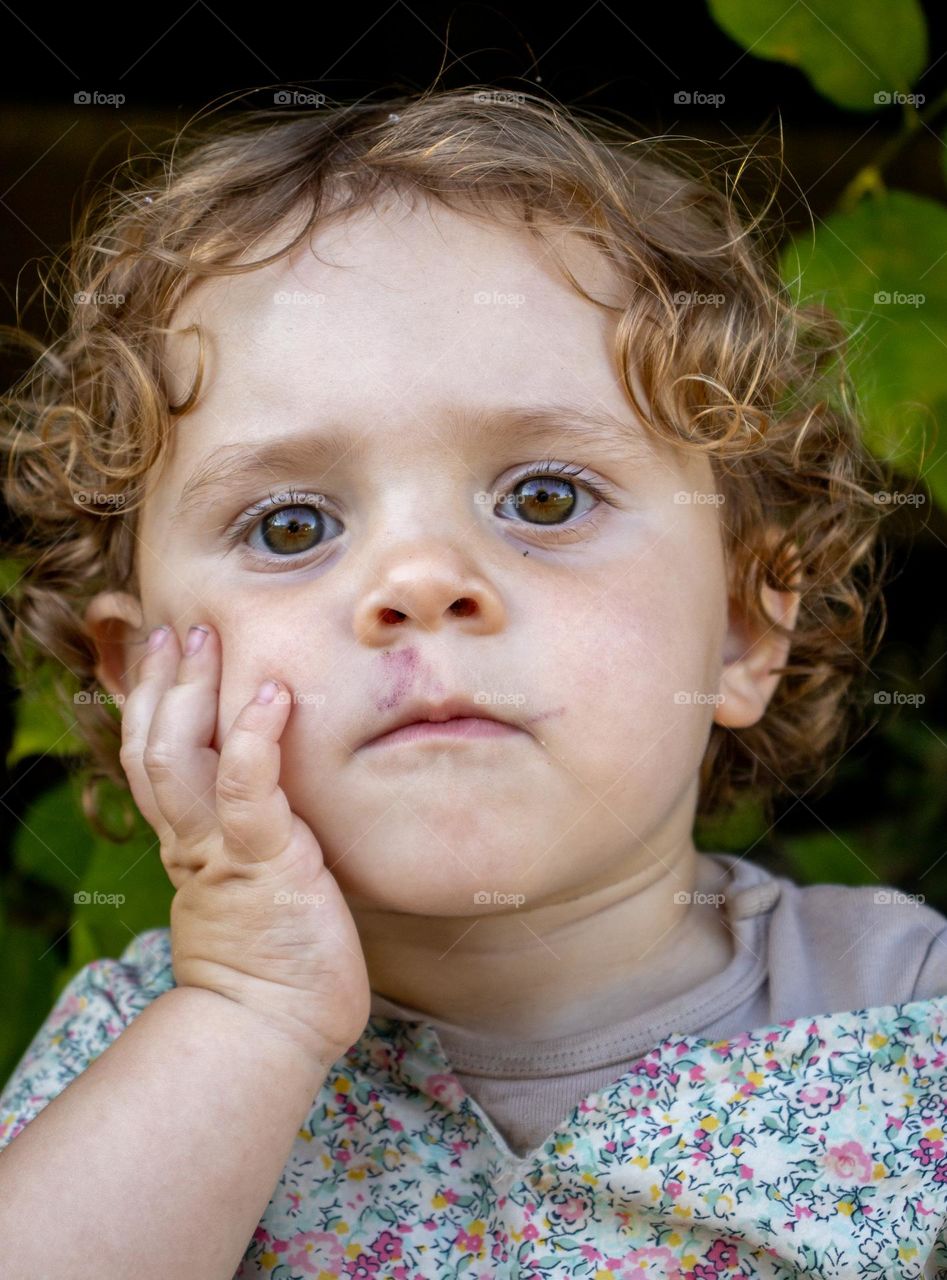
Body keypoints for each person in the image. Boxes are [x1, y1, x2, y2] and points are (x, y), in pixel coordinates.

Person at [0, 84, 944, 1280]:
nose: (421, 580)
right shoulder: (140, 1049)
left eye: (543, 498)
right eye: (291, 524)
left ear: (741, 629)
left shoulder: (903, 1017)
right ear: (146, 681)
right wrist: (253, 1014)